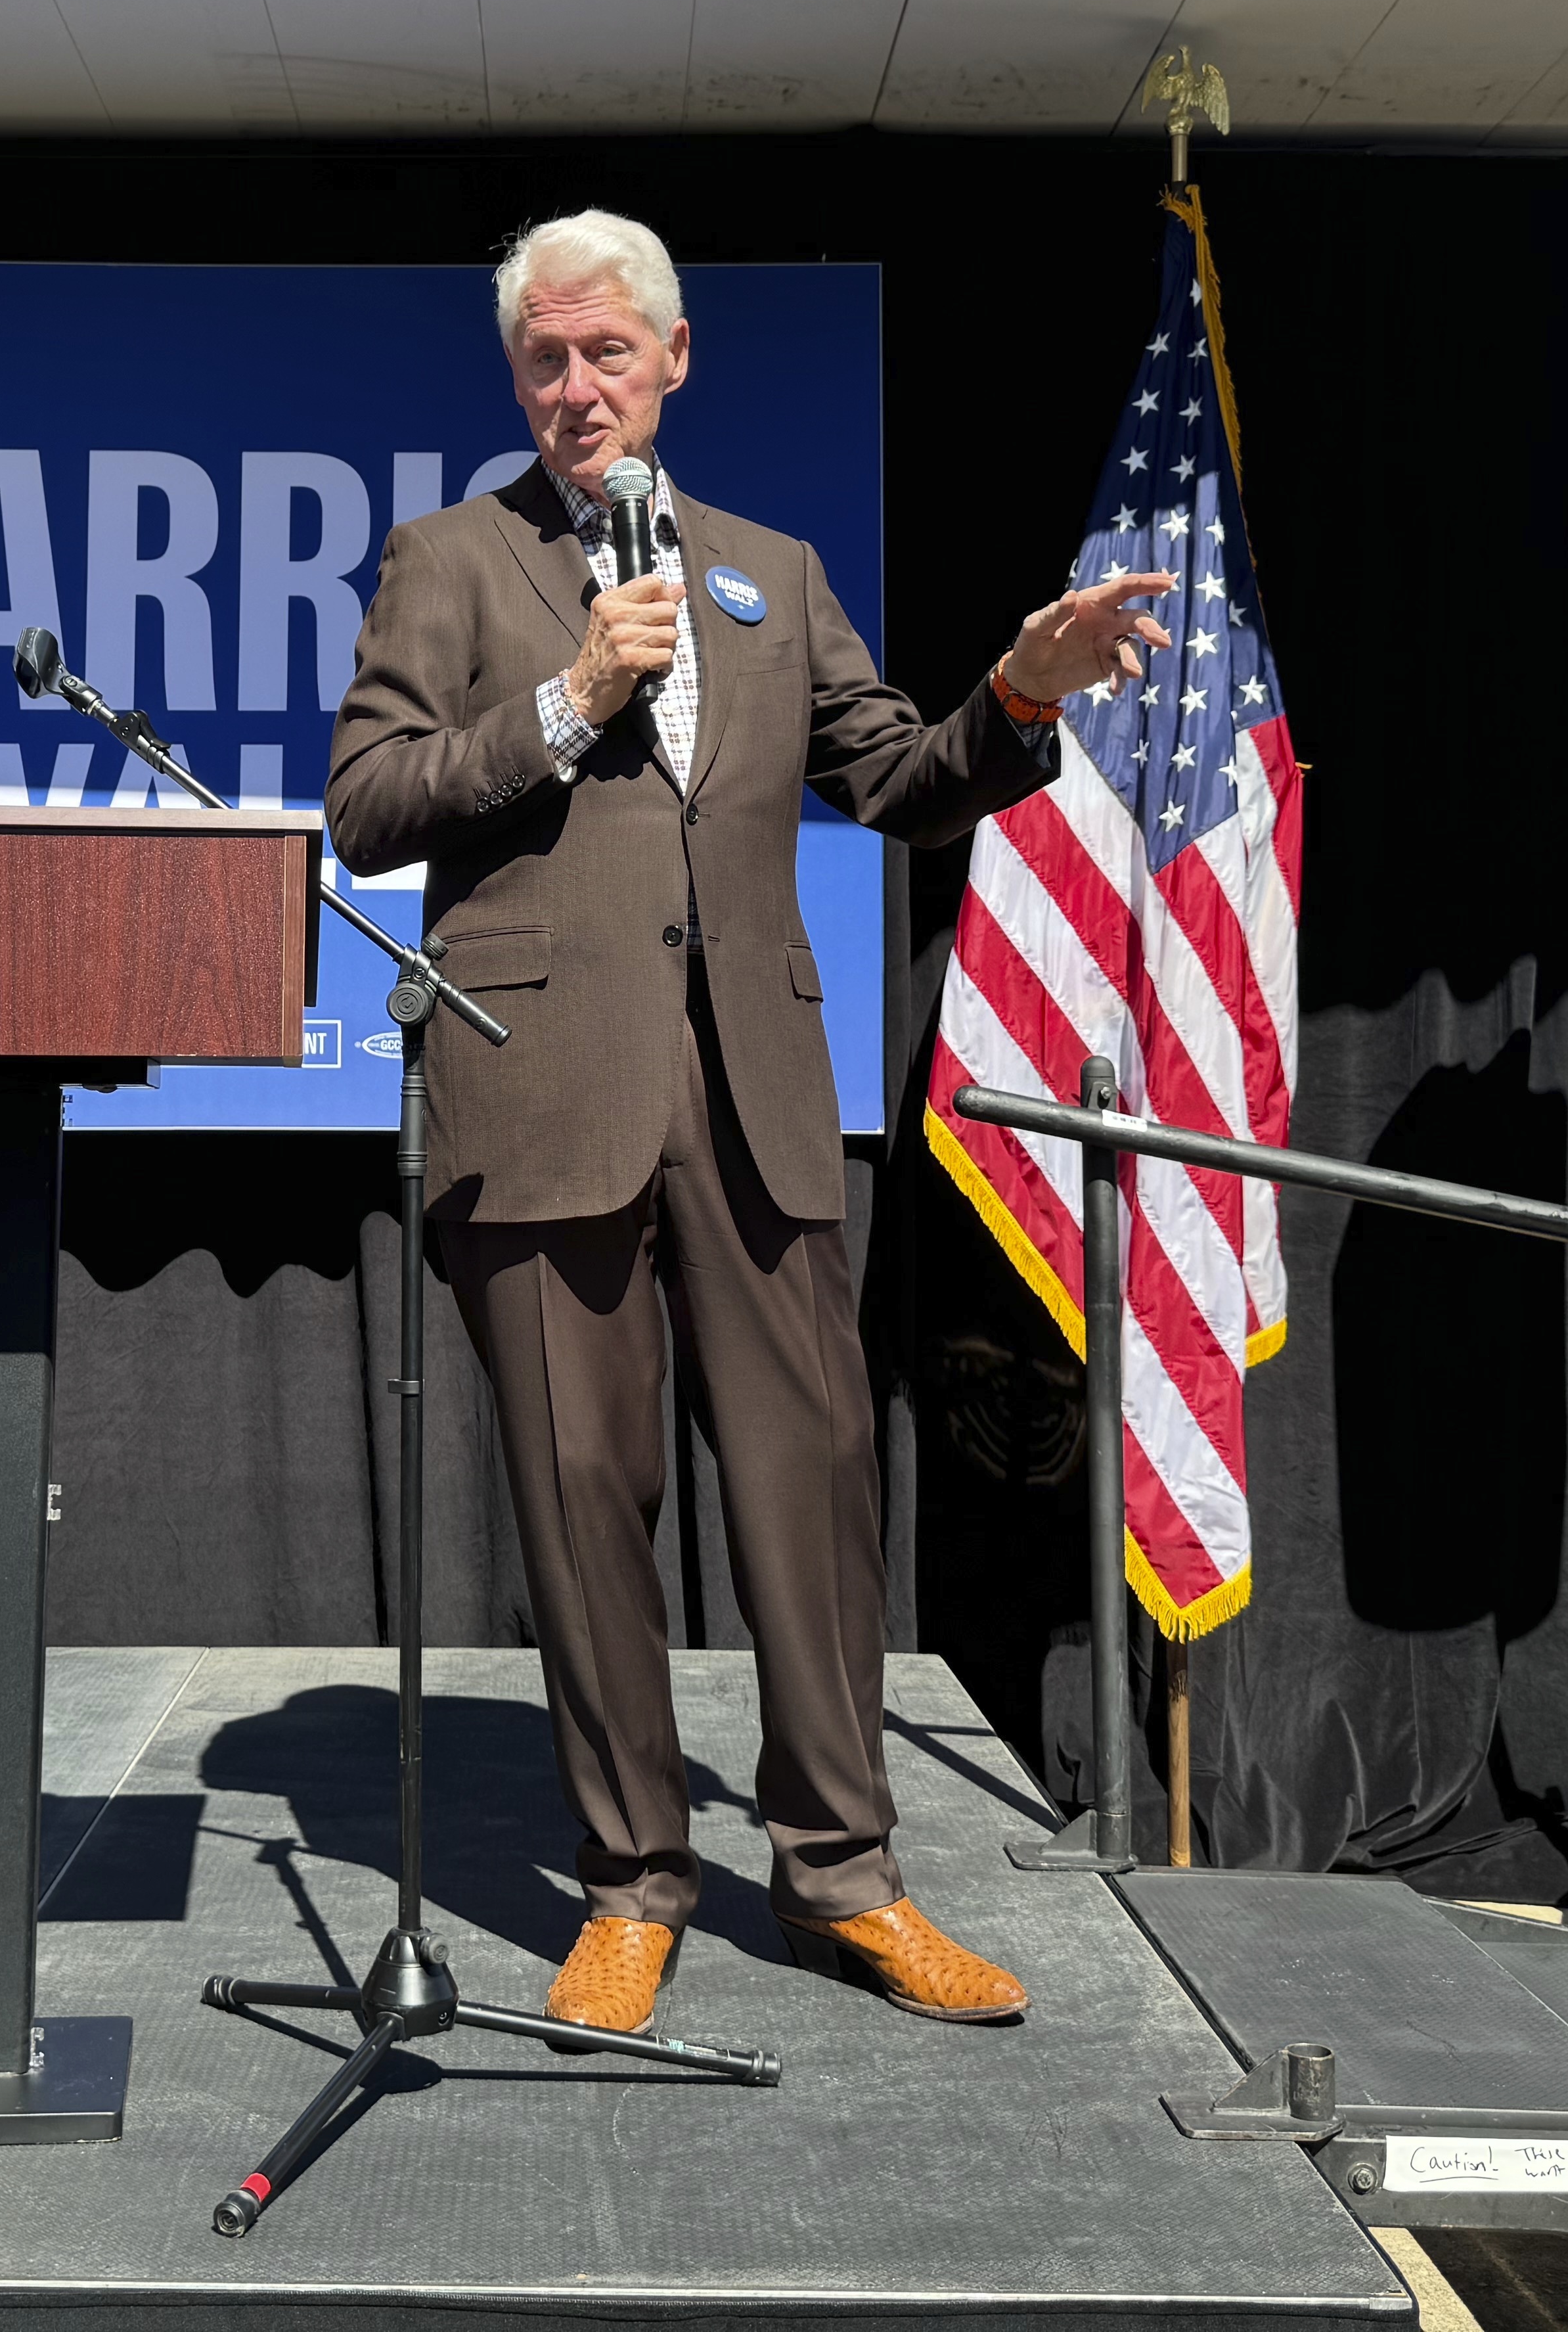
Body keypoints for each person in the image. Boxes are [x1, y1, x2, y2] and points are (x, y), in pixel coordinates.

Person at [325, 210, 1171, 2036]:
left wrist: (1021, 686)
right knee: (581, 1493)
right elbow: (373, 806)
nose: (574, 388)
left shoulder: (771, 572)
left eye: (605, 353)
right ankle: (634, 1880)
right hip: (542, 1091)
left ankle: (844, 1875)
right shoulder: (454, 562)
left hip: (760, 1097)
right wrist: (565, 703)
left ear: (675, 358)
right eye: (544, 359)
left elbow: (899, 779)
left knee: (810, 1484)